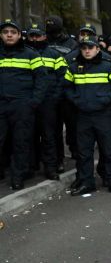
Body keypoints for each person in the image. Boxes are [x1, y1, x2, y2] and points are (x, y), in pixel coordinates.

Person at [63, 35, 111, 196]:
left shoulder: (108, 66)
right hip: (83, 115)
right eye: (84, 48)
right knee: (84, 152)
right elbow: (66, 88)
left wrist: (107, 100)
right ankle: (86, 182)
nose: (87, 51)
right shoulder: (74, 67)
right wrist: (76, 101)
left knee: (109, 150)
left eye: (90, 48)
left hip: (103, 115)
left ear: (98, 49)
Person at [0, 19, 48, 190]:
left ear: (20, 35)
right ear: (1, 35)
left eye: (13, 32)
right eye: (5, 32)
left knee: (21, 142)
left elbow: (42, 80)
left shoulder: (31, 54)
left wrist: (33, 102)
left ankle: (18, 176)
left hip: (22, 105)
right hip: (1, 105)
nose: (9, 35)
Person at [26, 23, 66, 180]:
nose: (35, 39)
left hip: (49, 101)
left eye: (38, 35)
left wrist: (55, 97)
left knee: (50, 135)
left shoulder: (54, 55)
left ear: (45, 36)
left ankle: (51, 167)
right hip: (29, 101)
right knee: (29, 135)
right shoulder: (24, 53)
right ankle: (31, 166)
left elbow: (62, 77)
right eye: (32, 36)